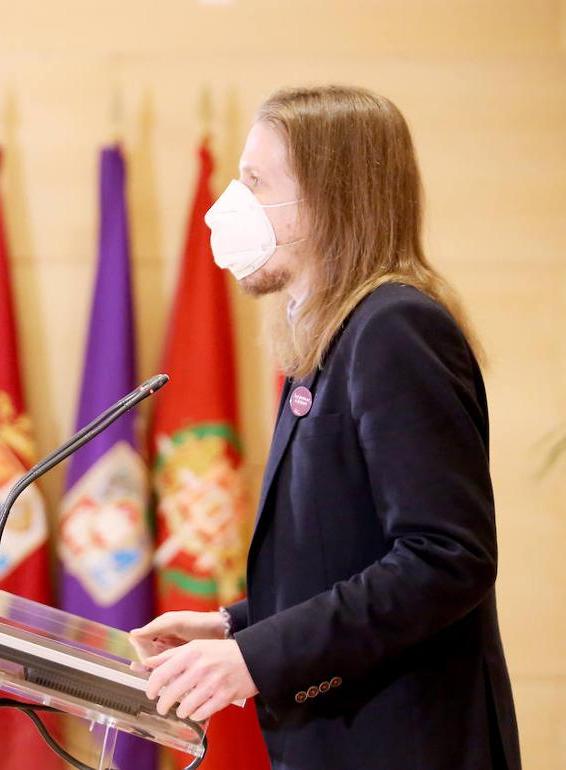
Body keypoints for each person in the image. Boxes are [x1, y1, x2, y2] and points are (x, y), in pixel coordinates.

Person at [129, 85, 521, 770]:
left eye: (256, 182)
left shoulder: (395, 327)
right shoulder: (331, 337)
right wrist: (234, 626)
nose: (232, 203)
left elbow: (444, 557)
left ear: (327, 198)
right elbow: (347, 553)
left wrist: (259, 657)